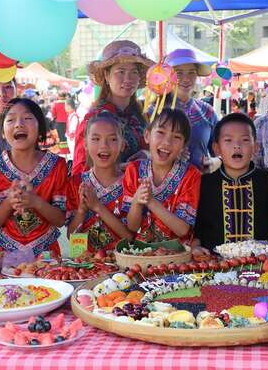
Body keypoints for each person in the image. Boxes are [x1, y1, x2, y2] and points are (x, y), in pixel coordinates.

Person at [0, 99, 67, 257]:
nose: (18, 124)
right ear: (2, 132)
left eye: (27, 118)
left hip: (47, 256)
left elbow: (60, 220)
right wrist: (9, 202)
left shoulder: (57, 165)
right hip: (3, 256)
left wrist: (36, 202)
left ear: (40, 129)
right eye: (10, 120)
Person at [194, 113, 268, 250]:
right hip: (216, 266)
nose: (237, 146)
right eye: (228, 140)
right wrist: (196, 246)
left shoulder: (267, 181)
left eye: (245, 140)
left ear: (255, 147)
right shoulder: (206, 184)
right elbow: (197, 229)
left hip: (261, 265)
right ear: (216, 148)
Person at [72, 40, 154, 177]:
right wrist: (119, 168)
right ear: (106, 75)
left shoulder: (143, 116)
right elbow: (80, 170)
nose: (128, 79)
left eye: (134, 72)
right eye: (120, 72)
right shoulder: (93, 119)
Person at [123, 108, 201, 243]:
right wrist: (137, 201)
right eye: (160, 132)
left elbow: (183, 229)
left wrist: (151, 202)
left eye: (176, 137)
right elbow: (131, 227)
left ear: (183, 146)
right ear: (147, 136)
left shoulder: (191, 175)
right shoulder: (133, 170)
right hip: (141, 254)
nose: (167, 142)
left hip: (177, 257)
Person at [66, 113, 131, 252]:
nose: (104, 145)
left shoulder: (130, 184)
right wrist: (81, 211)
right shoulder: (76, 182)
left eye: (112, 139)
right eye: (96, 139)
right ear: (85, 144)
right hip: (85, 267)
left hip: (121, 267)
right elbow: (71, 237)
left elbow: (130, 237)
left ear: (123, 145)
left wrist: (97, 207)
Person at [162, 48, 218, 172]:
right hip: (164, 188)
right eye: (179, 73)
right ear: (167, 76)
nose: (186, 79)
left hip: (201, 184)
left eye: (191, 72)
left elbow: (220, 150)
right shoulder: (155, 111)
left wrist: (214, 162)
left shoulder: (207, 111)